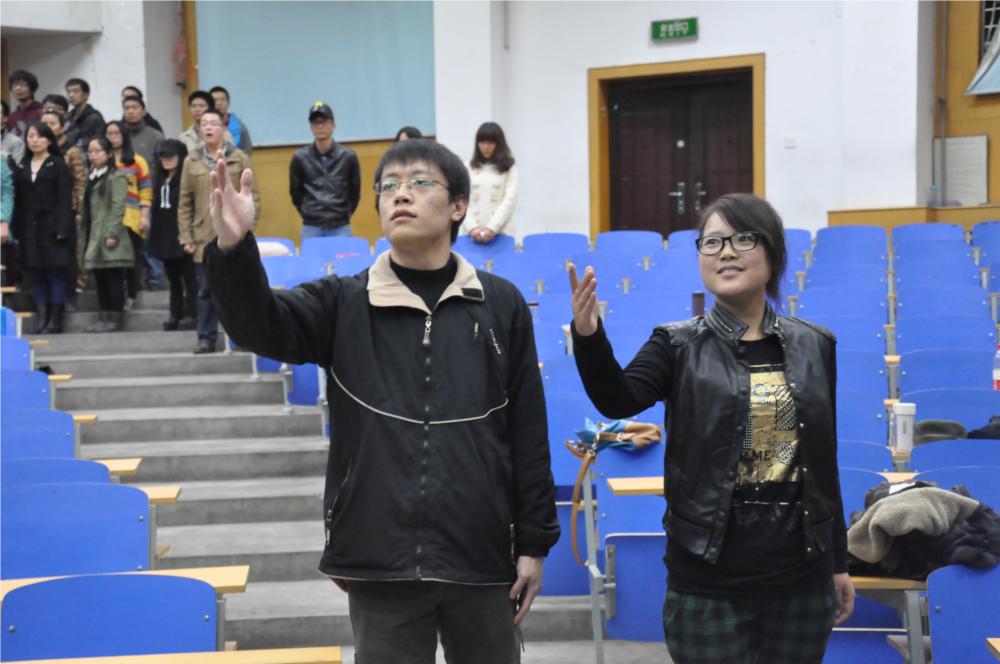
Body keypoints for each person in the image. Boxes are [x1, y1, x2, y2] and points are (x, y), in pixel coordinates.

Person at [204, 137, 559, 664]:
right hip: (379, 556)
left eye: (420, 182)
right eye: (388, 185)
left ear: (458, 206)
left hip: (482, 552)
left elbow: (527, 429)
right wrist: (234, 249)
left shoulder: (500, 303)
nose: (400, 194)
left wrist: (533, 543)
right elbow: (261, 326)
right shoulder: (343, 301)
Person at [569, 193, 855, 663]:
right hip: (708, 579)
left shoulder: (815, 344)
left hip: (802, 579)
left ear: (773, 252)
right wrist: (588, 336)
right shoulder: (677, 344)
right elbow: (617, 399)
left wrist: (838, 562)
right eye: (712, 242)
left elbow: (823, 462)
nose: (726, 252)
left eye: (743, 239)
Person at [178, 108, 258, 353]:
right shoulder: (191, 160)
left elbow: (253, 195)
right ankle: (206, 338)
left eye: (213, 123)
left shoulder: (239, 158)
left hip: (234, 236)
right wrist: (186, 235)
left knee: (237, 289)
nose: (208, 127)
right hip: (203, 236)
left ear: (224, 129)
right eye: (204, 124)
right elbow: (185, 201)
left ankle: (243, 338)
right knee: (205, 291)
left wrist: (248, 229)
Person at [11, 122, 74, 333]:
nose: (34, 140)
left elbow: (65, 199)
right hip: (29, 228)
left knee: (54, 272)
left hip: (53, 226)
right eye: (30, 136)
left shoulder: (58, 165)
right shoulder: (23, 166)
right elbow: (18, 200)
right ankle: (42, 315)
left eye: (39, 136)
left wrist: (63, 227)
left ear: (48, 140)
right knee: (36, 272)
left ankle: (55, 319)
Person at [81, 136, 133, 332]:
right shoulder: (91, 177)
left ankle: (115, 317)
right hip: (94, 233)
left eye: (97, 151)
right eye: (90, 151)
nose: (92, 155)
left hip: (109, 233)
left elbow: (118, 207)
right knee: (100, 278)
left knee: (113, 277)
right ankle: (103, 317)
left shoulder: (115, 176)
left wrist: (112, 233)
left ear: (109, 154)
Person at [289, 102, 360, 239]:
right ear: (311, 128)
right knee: (311, 254)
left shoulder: (348, 156)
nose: (320, 126)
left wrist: (344, 214)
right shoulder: (300, 158)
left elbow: (355, 191)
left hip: (341, 226)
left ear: (333, 125)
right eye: (316, 123)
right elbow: (295, 192)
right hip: (311, 226)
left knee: (343, 254)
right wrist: (307, 212)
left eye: (324, 122)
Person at [149, 139, 196, 331]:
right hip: (164, 236)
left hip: (183, 235)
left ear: (181, 157)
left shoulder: (187, 179)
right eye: (163, 157)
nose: (166, 160)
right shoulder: (159, 179)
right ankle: (174, 314)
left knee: (190, 278)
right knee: (173, 279)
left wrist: (190, 235)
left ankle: (192, 313)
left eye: (171, 156)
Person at [105, 120, 153, 308]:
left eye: (116, 133)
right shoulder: (102, 160)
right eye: (109, 133)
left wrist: (144, 215)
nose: (112, 137)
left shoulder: (136, 160)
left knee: (131, 260)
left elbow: (146, 189)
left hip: (131, 217)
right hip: (108, 218)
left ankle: (132, 295)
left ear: (124, 135)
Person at [41, 109, 87, 304]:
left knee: (68, 253)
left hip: (67, 209)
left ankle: (70, 293)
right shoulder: (38, 151)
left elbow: (79, 181)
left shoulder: (71, 150)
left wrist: (78, 208)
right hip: (43, 210)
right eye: (44, 123)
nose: (48, 127)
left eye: (52, 124)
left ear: (61, 127)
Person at [462, 122, 518, 244]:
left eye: (490, 143)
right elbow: (461, 200)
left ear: (499, 144)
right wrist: (472, 228)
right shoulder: (467, 167)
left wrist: (492, 228)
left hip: (501, 234)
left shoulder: (509, 168)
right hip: (471, 235)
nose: (485, 147)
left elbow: (510, 200)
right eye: (482, 142)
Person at [209, 86, 252, 156]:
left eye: (222, 100)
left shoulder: (240, 127)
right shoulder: (205, 128)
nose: (219, 103)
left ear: (228, 103)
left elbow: (247, 153)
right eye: (215, 100)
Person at [122, 95, 164, 166]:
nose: (130, 111)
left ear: (144, 112)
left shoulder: (156, 136)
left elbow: (161, 164)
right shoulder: (118, 135)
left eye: (135, 108)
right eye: (126, 108)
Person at [66, 78, 106, 149]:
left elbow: (100, 142)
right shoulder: (69, 116)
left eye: (76, 91)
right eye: (69, 92)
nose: (71, 95)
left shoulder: (95, 117)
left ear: (86, 95)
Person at [6, 70, 43, 137]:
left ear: (31, 89)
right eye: (15, 85)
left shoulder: (40, 113)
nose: (18, 88)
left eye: (22, 85)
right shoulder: (11, 117)